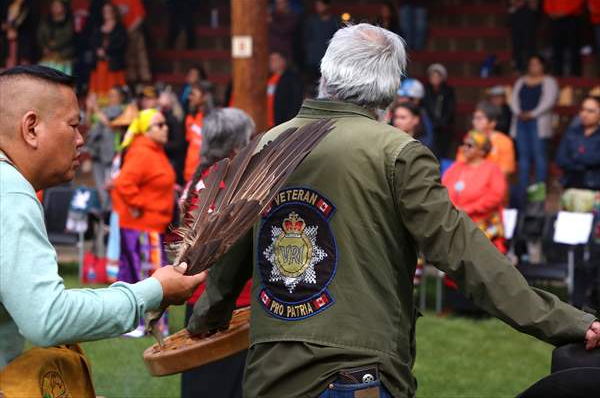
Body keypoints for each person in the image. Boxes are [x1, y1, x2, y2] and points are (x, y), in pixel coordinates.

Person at [186, 24, 600, 398]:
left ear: (325, 75)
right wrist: (566, 322)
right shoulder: (398, 153)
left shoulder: (266, 144)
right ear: (389, 92)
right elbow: (466, 257)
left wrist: (204, 320)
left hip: (270, 374)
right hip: (353, 371)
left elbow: (228, 260)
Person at [0, 65, 204, 372]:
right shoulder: (10, 192)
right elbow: (48, 316)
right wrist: (153, 290)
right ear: (31, 128)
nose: (81, 139)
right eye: (73, 125)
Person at [180, 108, 255, 398]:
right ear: (237, 146)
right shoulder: (231, 185)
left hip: (200, 298)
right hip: (232, 301)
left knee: (203, 381)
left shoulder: (200, 180)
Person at [112, 108, 177, 337]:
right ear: (146, 130)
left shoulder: (154, 150)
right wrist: (140, 205)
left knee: (142, 272)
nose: (165, 128)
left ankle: (140, 323)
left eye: (165, 123)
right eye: (159, 125)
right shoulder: (143, 152)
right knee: (150, 275)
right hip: (142, 225)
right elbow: (123, 183)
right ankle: (145, 324)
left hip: (149, 225)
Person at [556, 96, 600, 309]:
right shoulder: (571, 134)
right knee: (573, 247)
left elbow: (593, 159)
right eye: (583, 109)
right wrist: (583, 162)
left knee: (593, 247)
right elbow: (561, 159)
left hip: (595, 197)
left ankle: (591, 295)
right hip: (571, 195)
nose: (585, 113)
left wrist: (577, 161)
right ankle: (575, 296)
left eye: (591, 110)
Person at [444, 131, 508, 253]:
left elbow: (496, 196)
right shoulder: (456, 167)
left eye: (470, 146)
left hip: (483, 225)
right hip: (456, 223)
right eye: (464, 144)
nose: (464, 148)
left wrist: (468, 209)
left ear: (482, 151)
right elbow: (442, 189)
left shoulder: (492, 169)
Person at [509, 54, 558, 209]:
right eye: (531, 64)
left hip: (538, 122)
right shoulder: (521, 81)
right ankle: (523, 195)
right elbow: (513, 99)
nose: (533, 67)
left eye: (537, 64)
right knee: (523, 160)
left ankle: (538, 197)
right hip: (521, 122)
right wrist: (519, 112)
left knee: (539, 159)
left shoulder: (549, 81)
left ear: (543, 66)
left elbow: (549, 101)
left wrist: (532, 113)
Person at [85, 86, 126, 210]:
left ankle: (111, 214)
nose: (110, 98)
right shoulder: (104, 110)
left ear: (121, 97)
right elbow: (89, 123)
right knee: (101, 187)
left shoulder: (123, 109)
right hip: (98, 153)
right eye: (109, 95)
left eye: (113, 95)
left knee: (111, 187)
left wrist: (95, 108)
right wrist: (89, 108)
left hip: (112, 154)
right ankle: (106, 213)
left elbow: (110, 123)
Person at [456, 100, 516, 177]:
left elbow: (506, 170)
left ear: (492, 123)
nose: (475, 122)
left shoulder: (504, 141)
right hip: (469, 182)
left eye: (479, 118)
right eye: (474, 118)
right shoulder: (469, 137)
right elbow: (460, 163)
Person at [89, 2, 127, 100]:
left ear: (114, 12)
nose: (106, 13)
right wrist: (98, 51)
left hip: (113, 65)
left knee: (113, 89)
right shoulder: (98, 29)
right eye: (104, 11)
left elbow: (121, 44)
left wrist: (106, 51)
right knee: (98, 91)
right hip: (99, 65)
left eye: (109, 11)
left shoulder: (120, 28)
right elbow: (93, 43)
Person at [303, 0, 338, 94]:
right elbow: (306, 39)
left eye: (321, 5)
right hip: (313, 61)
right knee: (313, 88)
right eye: (317, 5)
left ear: (327, 6)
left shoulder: (334, 23)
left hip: (328, 61)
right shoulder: (311, 21)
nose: (318, 7)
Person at [112, 0, 151, 83]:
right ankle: (131, 82)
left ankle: (146, 81)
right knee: (127, 58)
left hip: (134, 32)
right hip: (120, 34)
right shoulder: (114, 0)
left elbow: (140, 17)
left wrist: (129, 30)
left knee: (141, 57)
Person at [183, 81, 214, 182]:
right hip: (189, 174)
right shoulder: (190, 118)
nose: (189, 97)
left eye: (193, 94)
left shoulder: (216, 120)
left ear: (204, 97)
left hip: (208, 176)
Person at [544, 0, 584, 76]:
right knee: (556, 48)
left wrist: (565, 12)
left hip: (572, 16)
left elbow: (579, 0)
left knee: (574, 48)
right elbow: (548, 1)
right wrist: (550, 11)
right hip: (555, 18)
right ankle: (557, 74)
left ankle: (575, 75)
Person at [423, 63, 455, 159]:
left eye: (437, 76)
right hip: (429, 125)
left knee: (443, 151)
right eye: (432, 76)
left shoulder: (448, 90)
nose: (435, 78)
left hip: (444, 127)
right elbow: (425, 108)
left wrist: (442, 123)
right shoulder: (426, 90)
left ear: (442, 78)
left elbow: (450, 109)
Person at [266, 50, 304, 129]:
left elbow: (295, 102)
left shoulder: (292, 79)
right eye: (270, 60)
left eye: (275, 59)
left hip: (283, 123)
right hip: (267, 123)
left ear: (283, 61)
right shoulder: (268, 78)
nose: (271, 62)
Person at [37, 0, 75, 75]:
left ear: (64, 7)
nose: (55, 8)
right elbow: (40, 36)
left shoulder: (69, 21)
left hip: (64, 54)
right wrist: (44, 47)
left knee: (59, 70)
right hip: (47, 55)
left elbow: (68, 37)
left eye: (58, 6)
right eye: (54, 5)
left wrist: (53, 46)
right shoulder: (45, 21)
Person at [508, 0, 539, 73]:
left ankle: (531, 67)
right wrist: (516, 2)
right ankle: (518, 67)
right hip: (516, 17)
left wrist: (529, 2)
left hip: (529, 16)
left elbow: (534, 5)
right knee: (517, 44)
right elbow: (511, 4)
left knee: (529, 43)